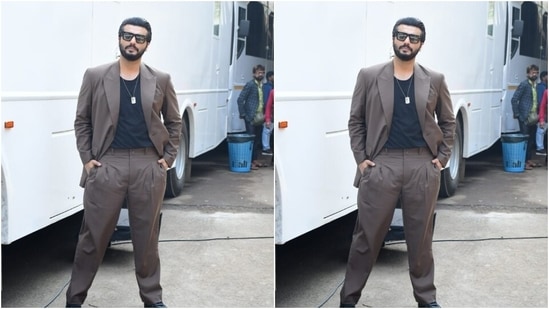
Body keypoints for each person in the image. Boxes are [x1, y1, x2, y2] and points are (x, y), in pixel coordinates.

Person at [340, 17, 455, 308]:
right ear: (392, 39)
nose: (407, 42)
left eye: (413, 38)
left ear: (421, 44)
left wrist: (441, 159)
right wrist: (362, 160)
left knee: (421, 239)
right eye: (401, 36)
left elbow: (448, 121)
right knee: (366, 237)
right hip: (382, 165)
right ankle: (349, 300)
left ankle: (427, 299)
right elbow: (355, 120)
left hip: (421, 165)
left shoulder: (435, 79)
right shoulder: (369, 75)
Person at [67, 17, 182, 308]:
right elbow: (82, 121)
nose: (133, 42)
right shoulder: (95, 75)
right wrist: (88, 160)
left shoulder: (161, 79)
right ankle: (75, 300)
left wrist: (167, 159)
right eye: (127, 36)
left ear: (147, 44)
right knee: (92, 238)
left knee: (147, 239)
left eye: (139, 38)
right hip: (108, 165)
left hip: (148, 165)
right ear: (119, 38)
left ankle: (152, 300)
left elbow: (174, 121)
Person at [238, 64, 266, 169]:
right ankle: (249, 162)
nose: (261, 74)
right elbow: (240, 99)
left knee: (257, 140)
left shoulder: (261, 85)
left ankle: (254, 160)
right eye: (259, 72)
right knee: (250, 140)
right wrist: (243, 114)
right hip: (250, 116)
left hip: (259, 117)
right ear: (254, 73)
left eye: (262, 72)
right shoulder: (250, 84)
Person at [511, 64, 540, 169]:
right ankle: (523, 162)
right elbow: (514, 99)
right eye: (533, 72)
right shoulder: (524, 84)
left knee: (531, 140)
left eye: (536, 72)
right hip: (524, 117)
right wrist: (517, 114)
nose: (535, 74)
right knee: (524, 140)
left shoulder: (535, 85)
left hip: (533, 117)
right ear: (528, 73)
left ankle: (528, 160)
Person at [262, 71, 274, 155]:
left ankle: (267, 147)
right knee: (267, 130)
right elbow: (267, 104)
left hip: (271, 113)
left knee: (268, 130)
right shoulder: (269, 88)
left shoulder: (270, 88)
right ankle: (266, 148)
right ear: (270, 77)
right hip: (271, 113)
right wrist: (267, 117)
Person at [535, 71, 547, 155]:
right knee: (541, 130)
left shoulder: (545, 87)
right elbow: (540, 102)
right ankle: (540, 147)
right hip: (544, 113)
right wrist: (541, 116)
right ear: (543, 77)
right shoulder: (542, 88)